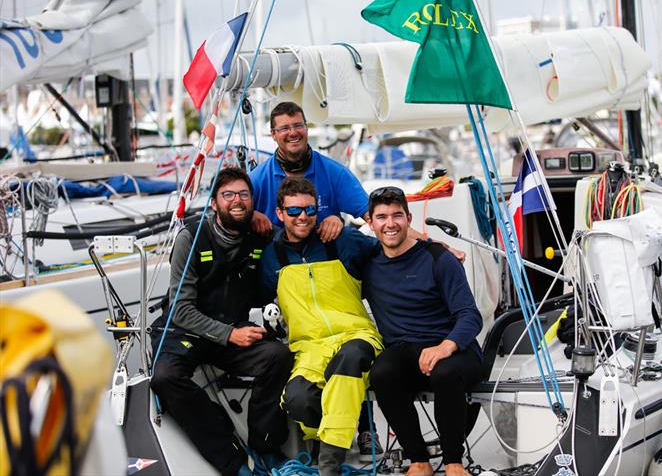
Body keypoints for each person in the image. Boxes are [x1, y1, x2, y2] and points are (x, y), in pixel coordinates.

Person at [150, 168, 293, 476]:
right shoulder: (190, 237)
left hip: (232, 330)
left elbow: (297, 231)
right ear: (214, 203)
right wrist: (230, 334)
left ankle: (265, 445)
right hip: (187, 331)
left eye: (244, 195)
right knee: (164, 377)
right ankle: (231, 460)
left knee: (277, 357)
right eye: (228, 195)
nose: (237, 201)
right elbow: (180, 309)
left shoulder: (260, 236)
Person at [259, 177, 384, 476]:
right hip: (309, 348)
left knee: (349, 361)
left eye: (309, 209)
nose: (302, 216)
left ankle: (327, 463)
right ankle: (331, 438)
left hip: (356, 335)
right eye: (293, 211)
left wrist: (432, 246)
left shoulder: (341, 240)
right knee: (298, 399)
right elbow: (257, 299)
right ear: (279, 214)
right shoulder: (271, 256)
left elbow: (389, 244)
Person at [363, 186, 484, 476]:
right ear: (370, 222)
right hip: (405, 350)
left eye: (397, 215)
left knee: (445, 373)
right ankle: (419, 461)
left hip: (456, 350)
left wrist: (445, 346)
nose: (390, 224)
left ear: (409, 218)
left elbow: (470, 315)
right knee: (381, 374)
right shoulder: (367, 262)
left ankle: (454, 461)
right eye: (381, 217)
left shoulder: (437, 259)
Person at [248, 101, 368, 242]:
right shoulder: (257, 179)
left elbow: (374, 215)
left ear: (306, 128)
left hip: (324, 258)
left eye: (298, 125)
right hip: (275, 260)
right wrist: (249, 216)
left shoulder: (335, 173)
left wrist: (337, 222)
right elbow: (224, 218)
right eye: (284, 128)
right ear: (273, 134)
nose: (293, 133)